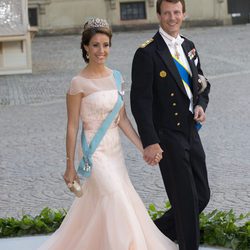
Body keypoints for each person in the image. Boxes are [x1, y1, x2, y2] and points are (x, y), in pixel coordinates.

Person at [38, 17, 177, 250]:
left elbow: (122, 119)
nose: (101, 51)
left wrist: (143, 147)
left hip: (115, 150)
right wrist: (70, 165)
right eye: (95, 45)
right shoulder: (78, 83)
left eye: (105, 45)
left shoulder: (117, 77)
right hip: (94, 151)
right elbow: (72, 126)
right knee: (115, 197)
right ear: (85, 47)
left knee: (111, 199)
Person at [130, 1, 211, 250]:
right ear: (158, 15)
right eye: (167, 13)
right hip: (167, 136)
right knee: (185, 201)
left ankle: (152, 233)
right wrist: (150, 141)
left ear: (184, 14)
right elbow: (140, 102)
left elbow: (202, 84)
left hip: (190, 131)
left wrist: (201, 106)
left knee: (202, 195)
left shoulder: (188, 45)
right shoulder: (147, 53)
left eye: (177, 12)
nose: (172, 17)